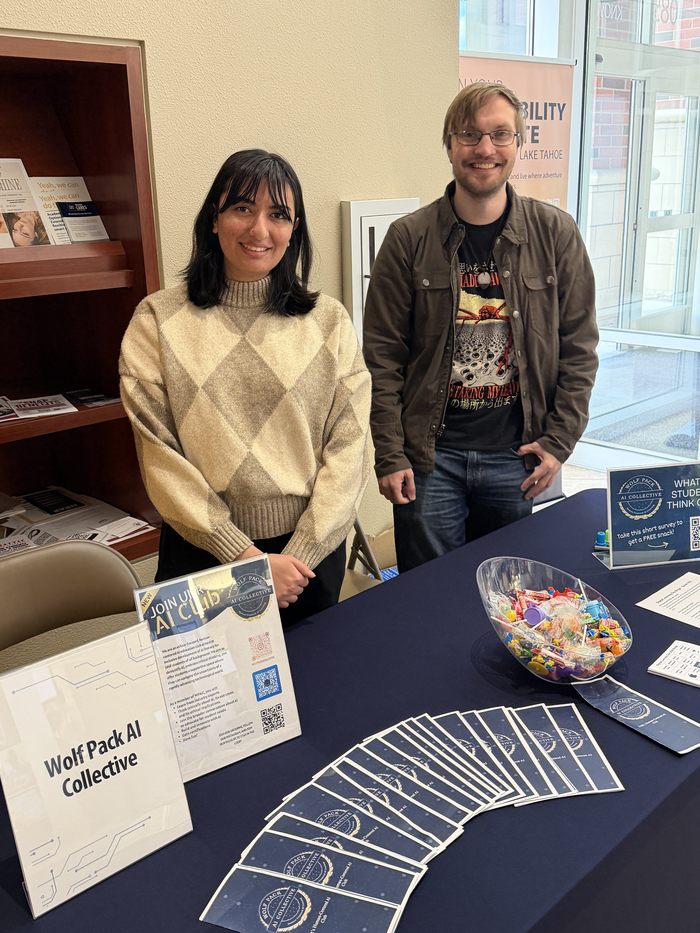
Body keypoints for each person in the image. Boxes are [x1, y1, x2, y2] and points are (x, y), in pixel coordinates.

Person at [120, 149, 370, 621]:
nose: (259, 230)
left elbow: (350, 447)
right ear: (214, 219)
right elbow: (158, 455)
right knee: (207, 673)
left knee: (314, 669)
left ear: (294, 229)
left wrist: (303, 551)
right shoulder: (156, 322)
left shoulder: (330, 322)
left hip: (306, 561)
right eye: (242, 208)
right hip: (202, 551)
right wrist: (244, 557)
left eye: (278, 214)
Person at [363, 83, 598, 572]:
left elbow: (579, 348)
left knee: (512, 595)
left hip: (518, 457)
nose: (485, 148)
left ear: (518, 143)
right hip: (429, 462)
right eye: (469, 134)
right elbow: (382, 358)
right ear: (449, 145)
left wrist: (560, 441)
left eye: (500, 134)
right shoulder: (407, 239)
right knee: (429, 597)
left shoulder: (556, 234)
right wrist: (390, 453)